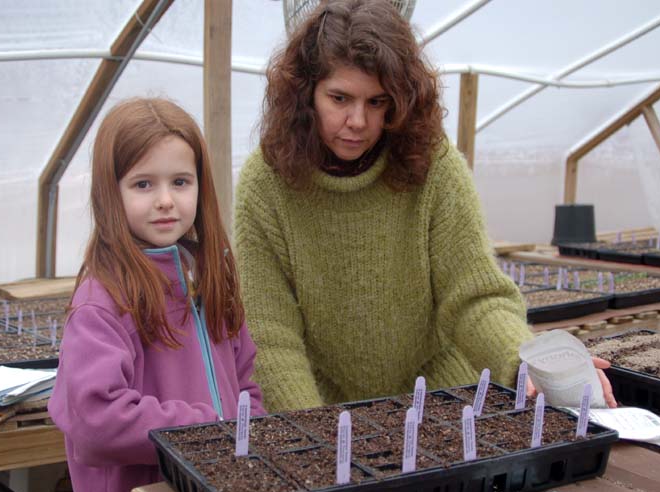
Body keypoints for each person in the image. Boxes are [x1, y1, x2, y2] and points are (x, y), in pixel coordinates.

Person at [234, 0, 615, 413]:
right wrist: (315, 435)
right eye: (340, 98)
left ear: (401, 101)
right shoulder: (266, 181)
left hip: (442, 398)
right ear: (305, 94)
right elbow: (270, 332)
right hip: (326, 407)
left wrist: (530, 365)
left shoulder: (432, 165)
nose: (358, 121)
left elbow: (474, 296)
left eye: (377, 102)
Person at [48, 97, 265, 492]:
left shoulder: (211, 280)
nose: (166, 200)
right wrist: (210, 428)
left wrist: (246, 429)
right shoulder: (102, 301)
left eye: (180, 182)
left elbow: (246, 384)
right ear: (111, 193)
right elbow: (97, 421)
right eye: (143, 184)